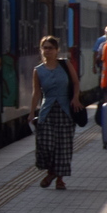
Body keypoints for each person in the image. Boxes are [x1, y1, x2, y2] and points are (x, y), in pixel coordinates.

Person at [30, 36, 82, 190]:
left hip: (65, 110)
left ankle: (59, 179)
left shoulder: (65, 64)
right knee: (45, 144)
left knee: (63, 146)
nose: (47, 51)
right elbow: (36, 93)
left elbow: (75, 82)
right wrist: (31, 112)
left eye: (50, 48)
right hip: (47, 111)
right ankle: (51, 171)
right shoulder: (38, 70)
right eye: (45, 48)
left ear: (57, 50)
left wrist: (76, 98)